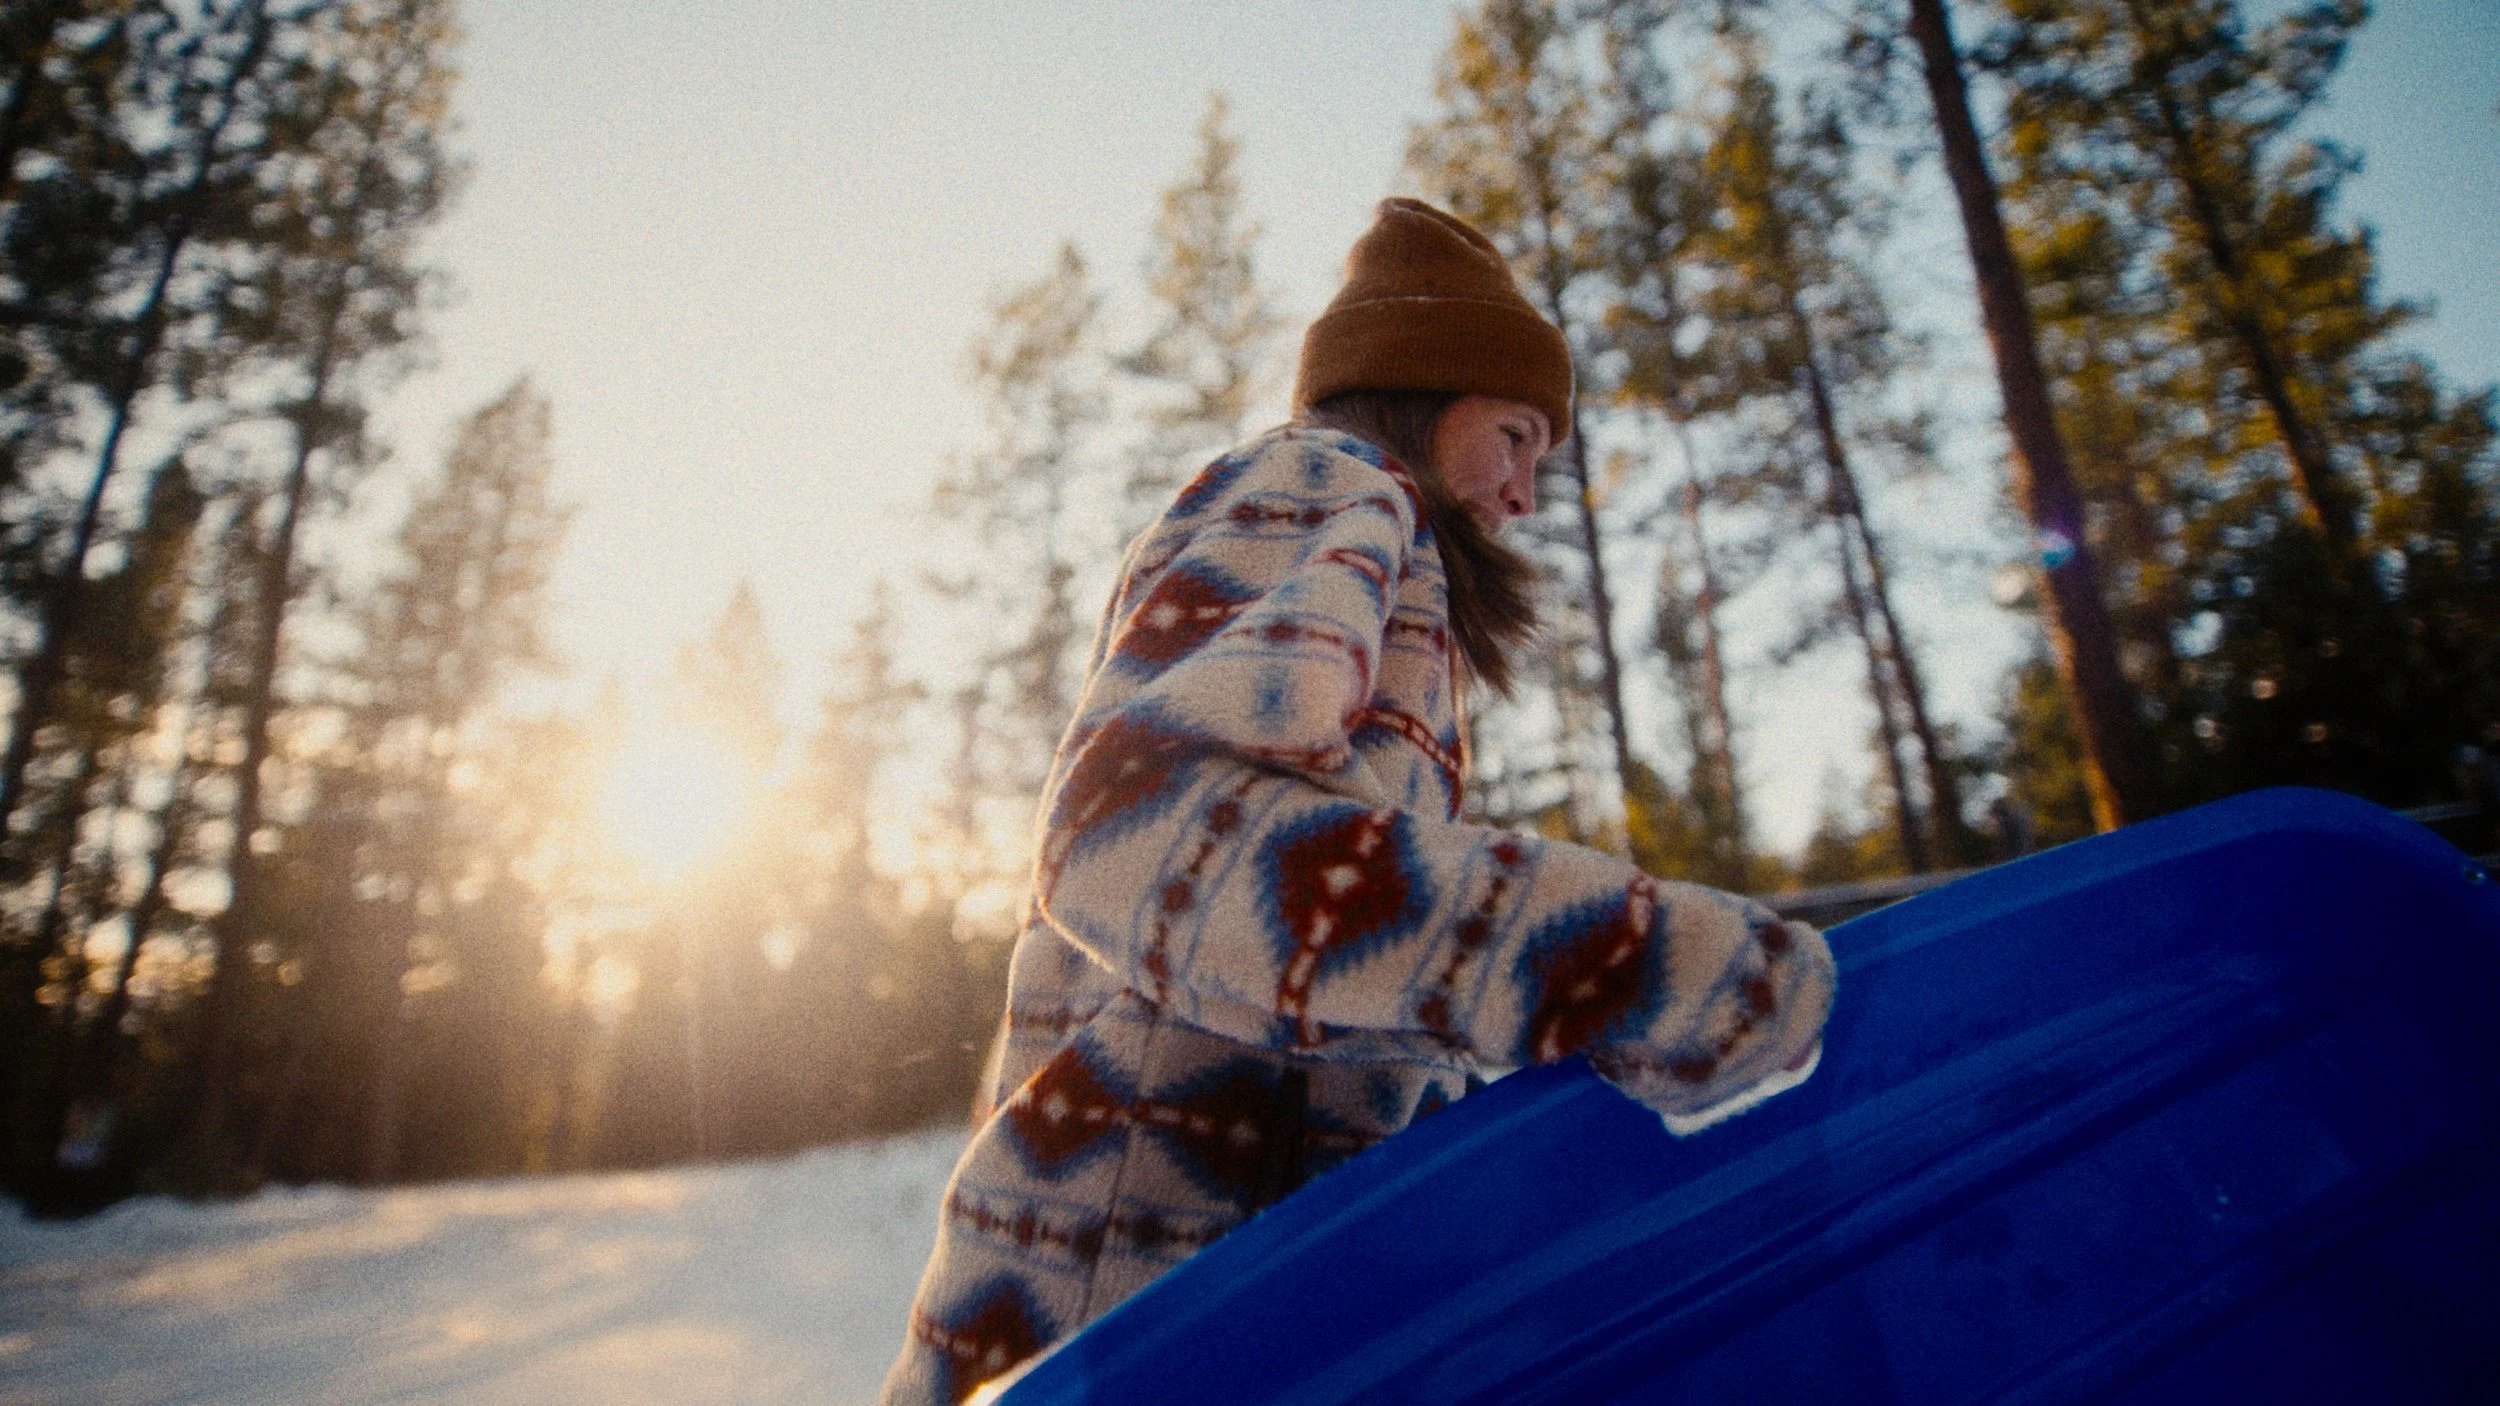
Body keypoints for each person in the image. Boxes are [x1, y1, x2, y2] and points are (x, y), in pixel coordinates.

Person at [882, 198, 1836, 1406]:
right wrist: (1627, 960)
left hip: (1218, 1301)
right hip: (1121, 1311)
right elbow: (1135, 835)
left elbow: (1330, 965)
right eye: (1515, 435)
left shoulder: (1383, 551)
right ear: (1426, 390)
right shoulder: (1324, 479)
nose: (1526, 492)